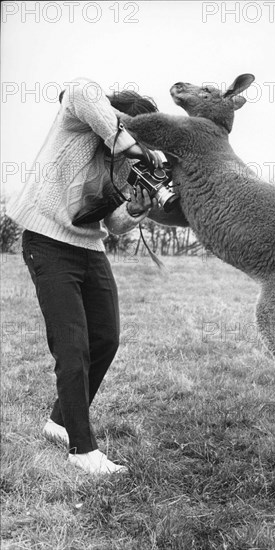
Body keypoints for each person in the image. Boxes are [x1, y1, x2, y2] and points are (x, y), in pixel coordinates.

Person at [7, 77, 188, 475]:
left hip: (89, 247)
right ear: (118, 119)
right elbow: (79, 90)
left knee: (105, 338)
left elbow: (113, 222)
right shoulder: (78, 119)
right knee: (73, 347)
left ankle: (58, 422)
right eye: (135, 131)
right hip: (47, 242)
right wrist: (129, 141)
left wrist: (136, 209)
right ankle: (82, 451)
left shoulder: (123, 165)